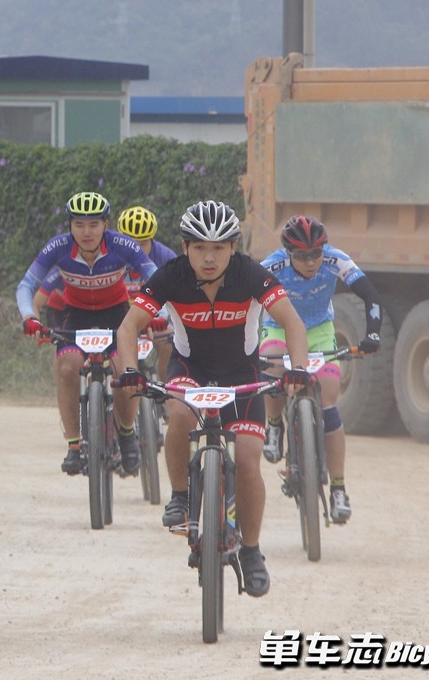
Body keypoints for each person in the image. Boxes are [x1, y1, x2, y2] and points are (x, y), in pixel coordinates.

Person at [115, 200, 310, 598]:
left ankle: (252, 552)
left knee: (249, 463)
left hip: (244, 374)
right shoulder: (169, 277)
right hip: (191, 369)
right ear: (184, 248)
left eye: (218, 248)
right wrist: (131, 369)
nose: (208, 257)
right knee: (179, 413)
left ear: (233, 248)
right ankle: (181, 497)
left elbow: (292, 321)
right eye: (199, 247)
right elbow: (129, 327)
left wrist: (299, 368)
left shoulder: (252, 276)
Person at [16, 191, 157, 477]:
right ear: (69, 226)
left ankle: (127, 434)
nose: (86, 232)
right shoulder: (57, 247)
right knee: (68, 369)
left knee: (126, 373)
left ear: (106, 224)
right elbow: (26, 286)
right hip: (76, 315)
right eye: (79, 224)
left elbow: (155, 278)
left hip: (117, 315)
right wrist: (29, 317)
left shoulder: (122, 245)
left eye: (93, 224)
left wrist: (160, 314)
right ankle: (74, 446)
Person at [259, 214, 383, 524]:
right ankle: (274, 424)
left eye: (316, 253)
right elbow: (244, 303)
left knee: (329, 401)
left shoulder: (335, 260)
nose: (311, 261)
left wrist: (373, 333)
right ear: (288, 253)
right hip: (278, 329)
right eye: (301, 255)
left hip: (318, 331)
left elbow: (370, 295)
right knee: (272, 366)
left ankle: (339, 488)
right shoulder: (271, 267)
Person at [116, 205, 179, 379]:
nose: (135, 250)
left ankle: (165, 387)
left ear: (152, 239)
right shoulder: (110, 254)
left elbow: (177, 296)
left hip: (155, 314)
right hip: (120, 313)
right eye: (130, 244)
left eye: (142, 244)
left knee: (169, 343)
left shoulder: (166, 257)